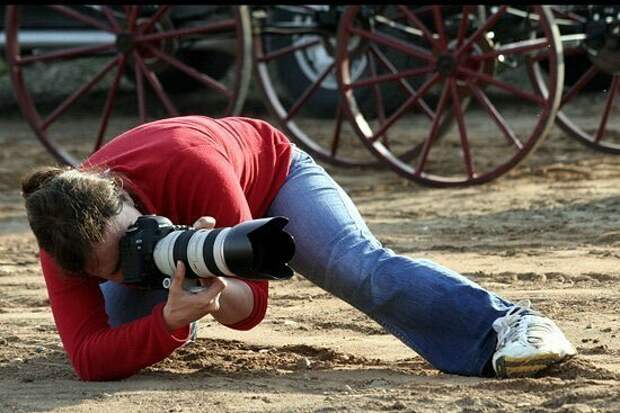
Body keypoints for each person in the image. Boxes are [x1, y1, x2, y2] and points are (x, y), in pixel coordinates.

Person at [21, 116, 576, 381]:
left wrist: (211, 298)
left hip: (273, 173)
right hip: (179, 210)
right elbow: (89, 358)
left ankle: (508, 324)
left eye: (135, 240)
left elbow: (252, 307)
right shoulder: (62, 233)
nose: (137, 260)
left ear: (124, 196)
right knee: (115, 347)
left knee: (357, 268)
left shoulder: (190, 166)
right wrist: (167, 319)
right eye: (112, 270)